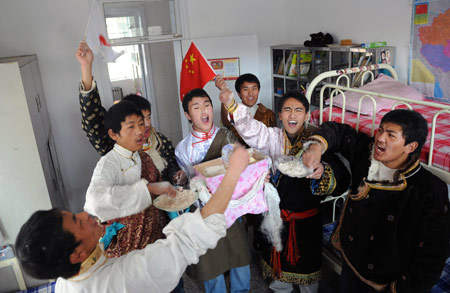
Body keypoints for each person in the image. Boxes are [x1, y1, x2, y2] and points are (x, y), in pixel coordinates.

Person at [15, 145, 250, 293]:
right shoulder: (126, 278)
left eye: (143, 121)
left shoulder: (65, 281)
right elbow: (190, 238)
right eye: (78, 222)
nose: (85, 214)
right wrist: (233, 173)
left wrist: (152, 188)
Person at [302, 109, 450, 293]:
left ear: (410, 146)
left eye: (391, 135)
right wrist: (316, 147)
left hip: (385, 279)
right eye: (380, 130)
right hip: (351, 259)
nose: (380, 138)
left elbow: (432, 256)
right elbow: (338, 132)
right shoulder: (367, 153)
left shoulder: (429, 191)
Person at [218, 88, 349, 292]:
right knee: (279, 276)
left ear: (307, 115)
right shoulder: (272, 137)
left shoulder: (316, 142)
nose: (292, 114)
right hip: (277, 218)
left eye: (298, 110)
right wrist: (231, 104)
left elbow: (340, 175)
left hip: (306, 222)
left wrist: (322, 171)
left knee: (308, 277)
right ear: (280, 115)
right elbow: (252, 129)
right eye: (287, 109)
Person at [75, 41, 186, 185]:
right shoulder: (113, 147)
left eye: (147, 118)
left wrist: (176, 175)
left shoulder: (158, 140)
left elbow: (170, 166)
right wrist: (86, 67)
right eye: (136, 123)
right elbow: (92, 119)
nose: (145, 125)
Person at [175, 88, 251, 293]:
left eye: (207, 105)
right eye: (196, 107)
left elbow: (244, 167)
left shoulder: (226, 136)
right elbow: (189, 182)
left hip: (232, 208)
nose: (204, 111)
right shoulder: (182, 149)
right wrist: (183, 178)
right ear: (187, 115)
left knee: (239, 257)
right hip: (204, 213)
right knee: (211, 265)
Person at [84, 100, 176, 258]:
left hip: (157, 239)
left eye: (141, 124)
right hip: (129, 249)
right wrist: (147, 189)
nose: (140, 131)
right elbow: (94, 201)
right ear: (114, 134)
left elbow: (160, 194)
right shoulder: (108, 164)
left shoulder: (144, 157)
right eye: (131, 127)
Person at [216, 74, 275, 146]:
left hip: (262, 156)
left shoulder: (268, 114)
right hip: (239, 155)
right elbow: (226, 122)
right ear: (239, 93)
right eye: (245, 89)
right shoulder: (234, 111)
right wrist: (225, 94)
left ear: (258, 91)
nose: (250, 94)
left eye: (254, 89)